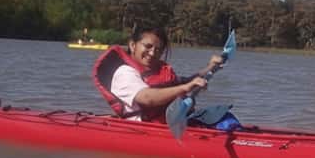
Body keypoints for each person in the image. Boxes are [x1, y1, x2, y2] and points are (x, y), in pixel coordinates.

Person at [92, 26, 222, 123]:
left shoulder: (155, 70)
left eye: (158, 49)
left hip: (173, 123)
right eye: (147, 46)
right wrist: (184, 88)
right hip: (143, 130)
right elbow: (147, 98)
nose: (153, 53)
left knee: (225, 119)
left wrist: (210, 67)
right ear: (132, 45)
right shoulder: (124, 73)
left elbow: (185, 82)